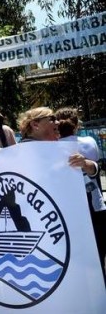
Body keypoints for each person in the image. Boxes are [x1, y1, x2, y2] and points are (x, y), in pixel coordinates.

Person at [18, 107, 103, 281]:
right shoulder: (16, 154)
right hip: (47, 227)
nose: (57, 123)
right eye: (52, 118)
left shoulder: (63, 147)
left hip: (79, 219)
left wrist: (86, 164)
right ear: (35, 124)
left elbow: (93, 171)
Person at [55, 107, 105, 279]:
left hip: (68, 209)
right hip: (93, 204)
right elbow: (96, 160)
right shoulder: (88, 142)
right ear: (77, 125)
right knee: (99, 254)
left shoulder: (50, 148)